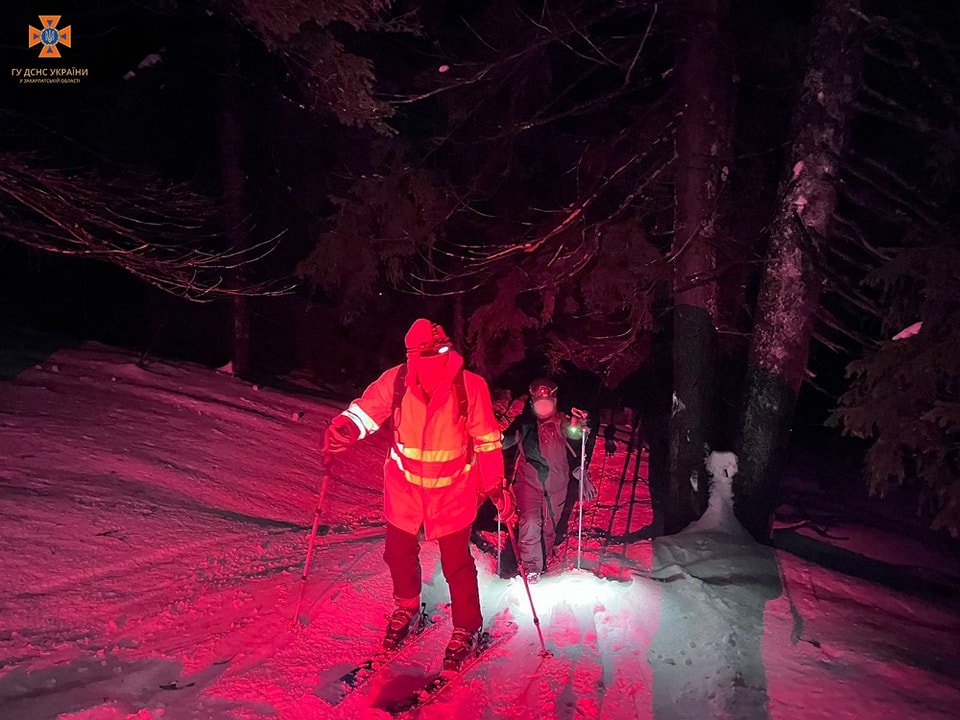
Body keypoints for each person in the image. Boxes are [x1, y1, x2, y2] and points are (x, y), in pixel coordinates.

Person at [322, 318, 517, 670]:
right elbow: (368, 409)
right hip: (405, 488)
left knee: (456, 564)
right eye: (419, 354)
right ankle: (408, 608)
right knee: (397, 554)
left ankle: (467, 628)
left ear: (446, 349)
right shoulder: (397, 379)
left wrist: (495, 485)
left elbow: (487, 441)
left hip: (452, 492)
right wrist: (347, 427)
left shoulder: (469, 386)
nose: (426, 359)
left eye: (433, 351)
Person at [503, 378, 595, 583]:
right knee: (530, 521)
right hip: (529, 483)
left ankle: (543, 559)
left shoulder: (562, 422)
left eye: (547, 402)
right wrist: (495, 438)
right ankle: (531, 567)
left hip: (557, 484)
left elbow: (577, 437)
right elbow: (508, 439)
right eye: (539, 403)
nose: (543, 407)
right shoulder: (525, 425)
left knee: (549, 525)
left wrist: (581, 428)